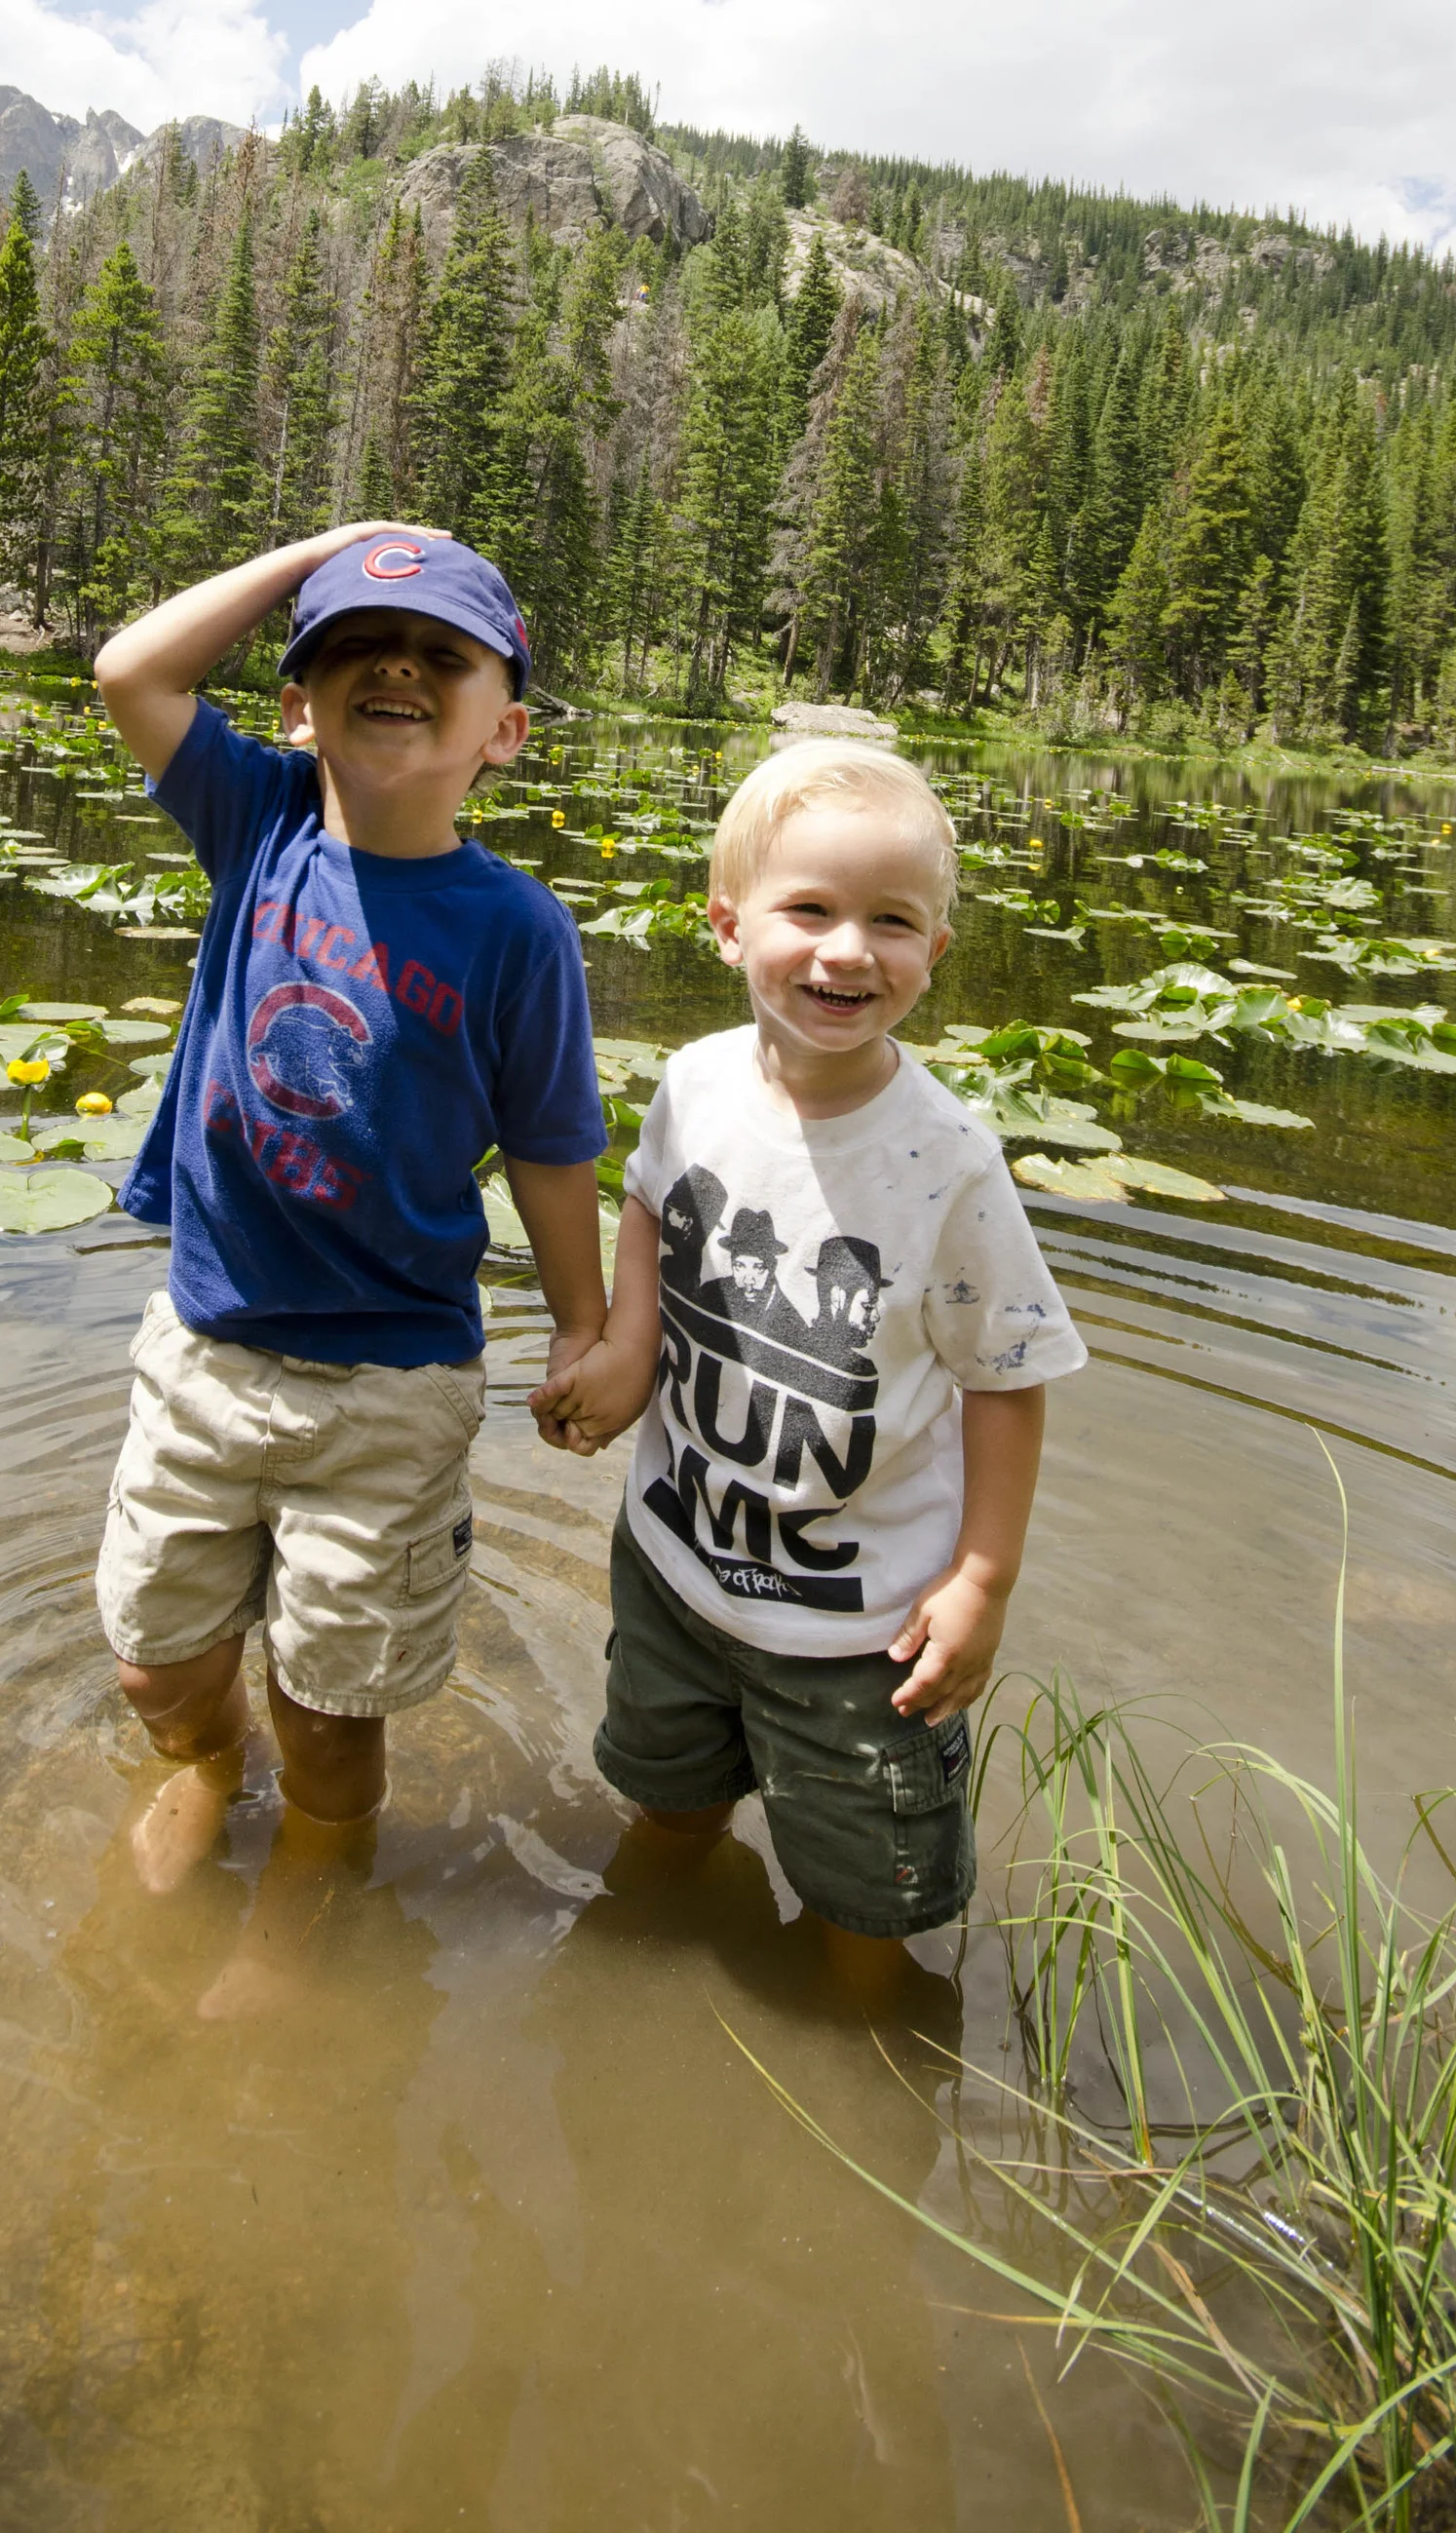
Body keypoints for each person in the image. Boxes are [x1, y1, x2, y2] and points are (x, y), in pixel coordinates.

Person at [91, 521, 608, 1944]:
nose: (396, 664)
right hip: (205, 1347)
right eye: (350, 650)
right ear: (296, 706)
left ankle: (315, 1877)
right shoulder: (256, 821)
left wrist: (584, 1326)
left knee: (332, 1705)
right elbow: (131, 668)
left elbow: (558, 1151)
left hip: (389, 1383)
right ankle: (204, 1765)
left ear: (502, 729)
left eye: (442, 653)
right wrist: (336, 548)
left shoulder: (517, 928)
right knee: (158, 1660)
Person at [534, 737, 1085, 1986]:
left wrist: (982, 1579)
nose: (847, 951)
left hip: (858, 1636)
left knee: (866, 1912)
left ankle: (861, 2072)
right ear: (727, 926)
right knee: (665, 1818)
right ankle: (635, 1995)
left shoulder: (948, 1161)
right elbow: (645, 1202)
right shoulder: (692, 1083)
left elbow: (1005, 1374)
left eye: (891, 921)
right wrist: (629, 1344)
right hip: (673, 1568)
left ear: (933, 954)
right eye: (810, 910)